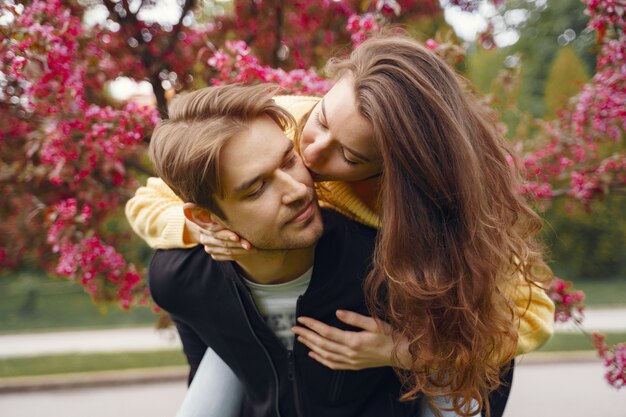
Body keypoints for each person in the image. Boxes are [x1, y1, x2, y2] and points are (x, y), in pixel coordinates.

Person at [127, 34, 555, 416]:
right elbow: (153, 199)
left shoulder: (433, 214)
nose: (310, 156)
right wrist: (205, 230)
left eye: (349, 157)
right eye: (322, 120)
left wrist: (404, 351)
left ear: (393, 170)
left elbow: (528, 319)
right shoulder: (284, 126)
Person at [147, 83, 422, 417]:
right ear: (205, 218)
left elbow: (486, 365)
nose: (297, 190)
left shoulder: (389, 268)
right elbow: (210, 369)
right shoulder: (179, 278)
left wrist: (412, 353)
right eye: (257, 188)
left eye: (289, 160)